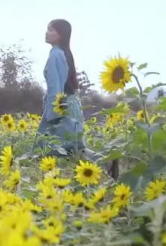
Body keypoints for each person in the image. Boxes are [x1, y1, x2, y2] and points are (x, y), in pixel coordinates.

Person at [35, 19, 119, 177]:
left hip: (60, 107)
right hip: (71, 104)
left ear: (61, 35)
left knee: (49, 149)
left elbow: (55, 87)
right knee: (74, 148)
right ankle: (106, 161)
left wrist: (53, 115)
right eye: (47, 29)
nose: (47, 32)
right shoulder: (64, 53)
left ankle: (52, 184)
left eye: (51, 30)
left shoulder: (55, 55)